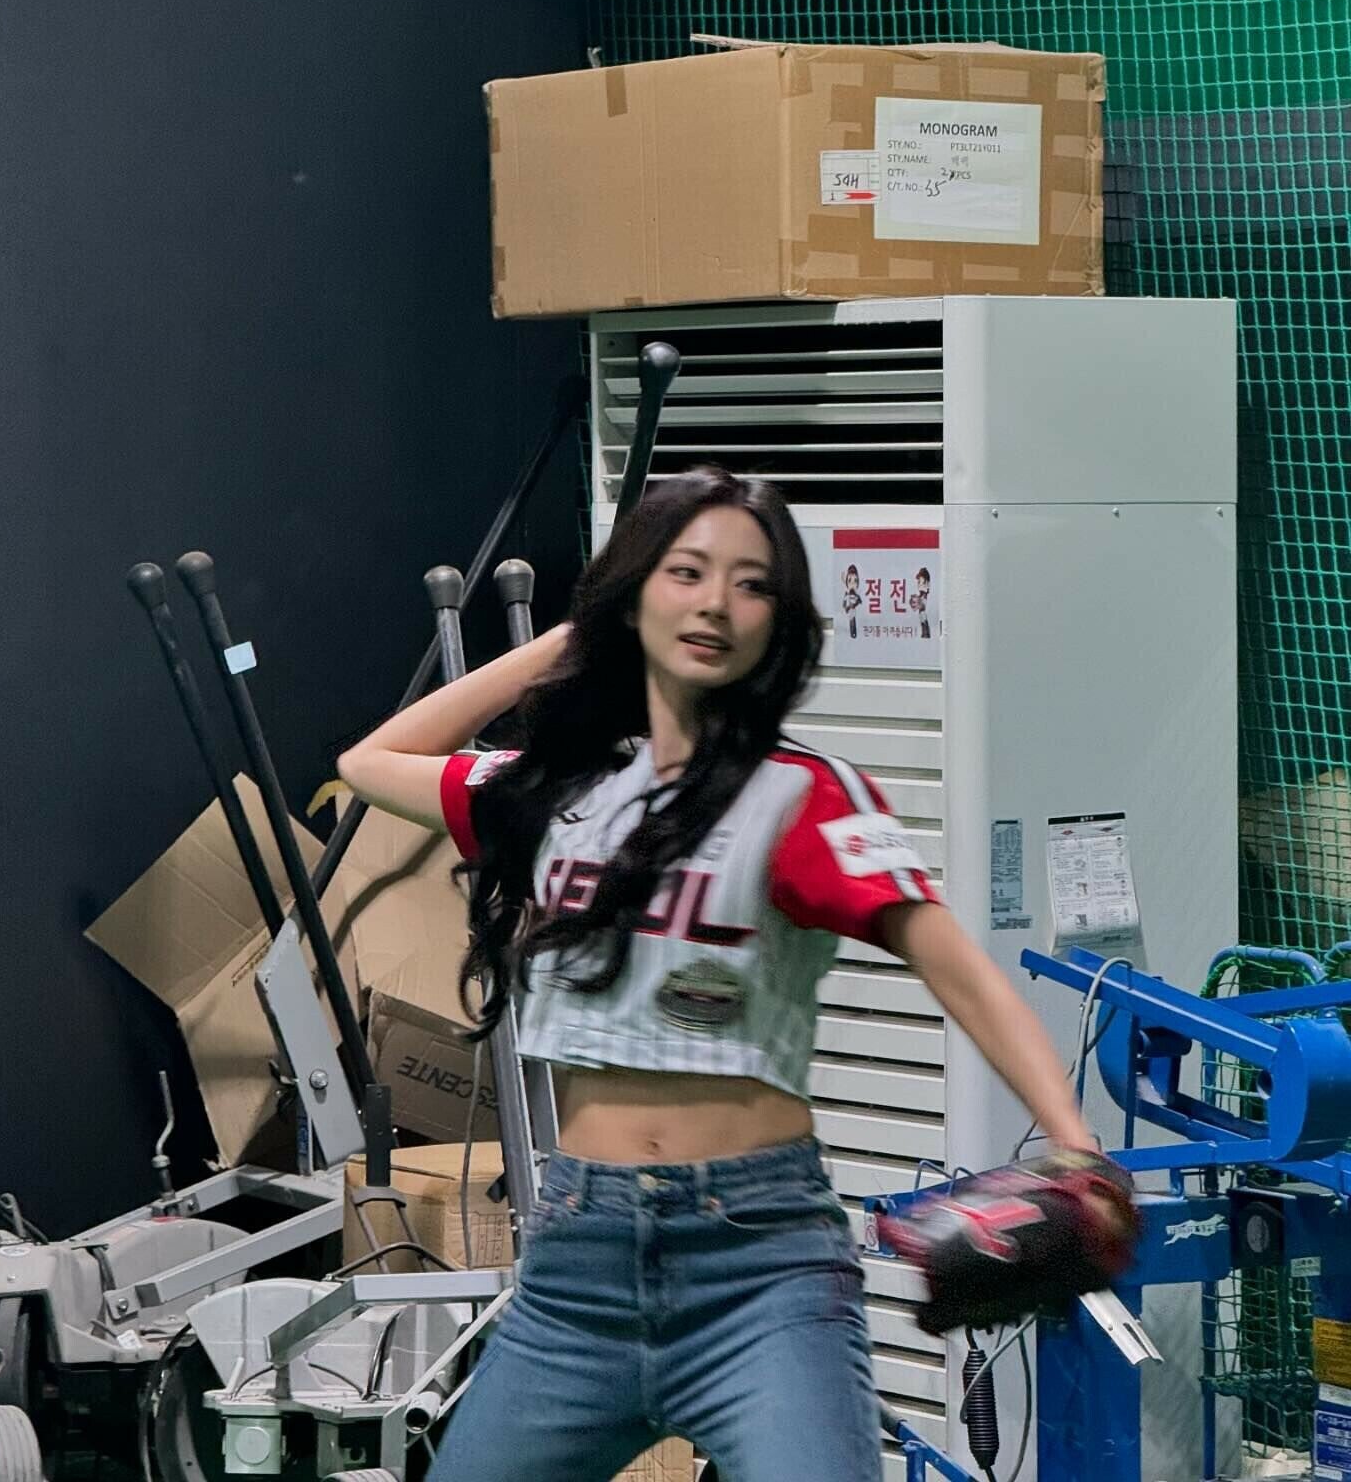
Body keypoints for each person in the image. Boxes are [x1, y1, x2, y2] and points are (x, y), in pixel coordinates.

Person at [337, 467, 1100, 1482]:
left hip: (759, 1270)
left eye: (751, 585)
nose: (715, 604)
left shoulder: (803, 798)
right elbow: (369, 762)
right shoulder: (556, 791)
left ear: (777, 624)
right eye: (686, 573)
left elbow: (960, 971)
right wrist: (573, 641)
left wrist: (1074, 1145)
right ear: (636, 594)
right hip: (575, 1272)